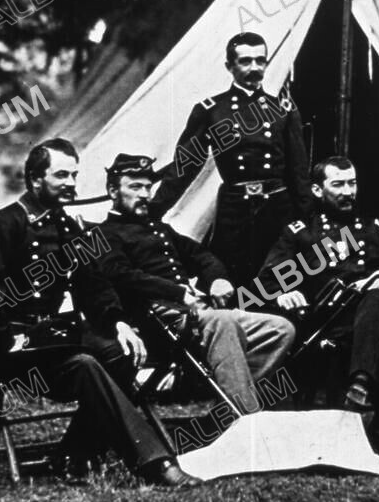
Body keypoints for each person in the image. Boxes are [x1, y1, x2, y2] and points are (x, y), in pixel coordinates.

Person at [0, 138, 199, 487]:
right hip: (15, 351)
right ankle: (155, 463)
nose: (71, 183)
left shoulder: (68, 226)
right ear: (36, 180)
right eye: (62, 175)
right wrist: (4, 335)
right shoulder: (8, 223)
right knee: (87, 366)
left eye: (74, 175)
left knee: (120, 353)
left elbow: (92, 284)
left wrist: (118, 322)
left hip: (54, 342)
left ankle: (72, 454)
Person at [96, 154, 296, 414]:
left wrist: (217, 279)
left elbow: (201, 255)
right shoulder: (103, 235)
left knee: (280, 329)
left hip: (197, 314)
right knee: (222, 322)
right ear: (113, 191)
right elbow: (123, 275)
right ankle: (246, 418)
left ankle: (225, 406)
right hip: (158, 320)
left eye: (148, 187)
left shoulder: (160, 229)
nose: (145, 194)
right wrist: (179, 294)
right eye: (135, 187)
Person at [257, 156, 379, 450]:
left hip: (373, 317)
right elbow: (266, 282)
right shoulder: (301, 233)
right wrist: (283, 294)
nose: (348, 192)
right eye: (338, 184)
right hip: (325, 321)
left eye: (352, 183)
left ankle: (360, 386)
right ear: (318, 191)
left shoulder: (377, 230)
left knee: (378, 299)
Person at [151, 32, 312, 285]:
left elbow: (299, 173)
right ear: (229, 66)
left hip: (277, 209)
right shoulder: (212, 111)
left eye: (261, 61)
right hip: (235, 210)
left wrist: (305, 222)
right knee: (230, 280)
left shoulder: (284, 110)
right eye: (245, 61)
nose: (255, 68)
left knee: (277, 281)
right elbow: (186, 164)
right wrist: (154, 210)